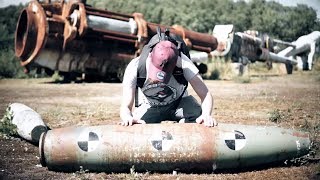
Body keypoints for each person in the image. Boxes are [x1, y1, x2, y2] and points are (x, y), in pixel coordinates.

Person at [120, 33, 217, 127]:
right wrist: (127, 117)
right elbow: (126, 105)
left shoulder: (184, 64)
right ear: (150, 55)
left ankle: (185, 125)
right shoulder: (135, 67)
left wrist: (206, 115)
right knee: (137, 125)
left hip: (179, 103)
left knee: (199, 118)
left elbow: (205, 94)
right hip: (150, 106)